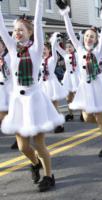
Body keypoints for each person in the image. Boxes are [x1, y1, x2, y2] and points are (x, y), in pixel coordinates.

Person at [0, 0, 62, 192]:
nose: (17, 32)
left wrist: (39, 4)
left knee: (39, 143)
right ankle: (34, 163)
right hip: (19, 103)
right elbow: (1, 27)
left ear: (29, 32)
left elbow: (38, 20)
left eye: (21, 30)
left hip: (35, 100)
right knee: (22, 147)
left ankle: (49, 175)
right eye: (15, 30)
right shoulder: (12, 48)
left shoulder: (36, 49)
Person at [57, 0, 102, 157]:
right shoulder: (78, 49)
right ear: (83, 38)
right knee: (86, 117)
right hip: (84, 86)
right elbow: (70, 32)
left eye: (92, 36)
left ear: (96, 40)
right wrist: (65, 14)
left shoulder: (98, 51)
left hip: (97, 87)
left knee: (99, 117)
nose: (89, 38)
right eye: (87, 36)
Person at [39, 33, 68, 133]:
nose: (43, 51)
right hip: (43, 84)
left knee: (54, 107)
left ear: (49, 50)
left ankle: (60, 125)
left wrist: (54, 40)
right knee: (45, 106)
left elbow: (54, 50)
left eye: (45, 50)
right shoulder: (40, 60)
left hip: (52, 85)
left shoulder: (52, 59)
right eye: (42, 50)